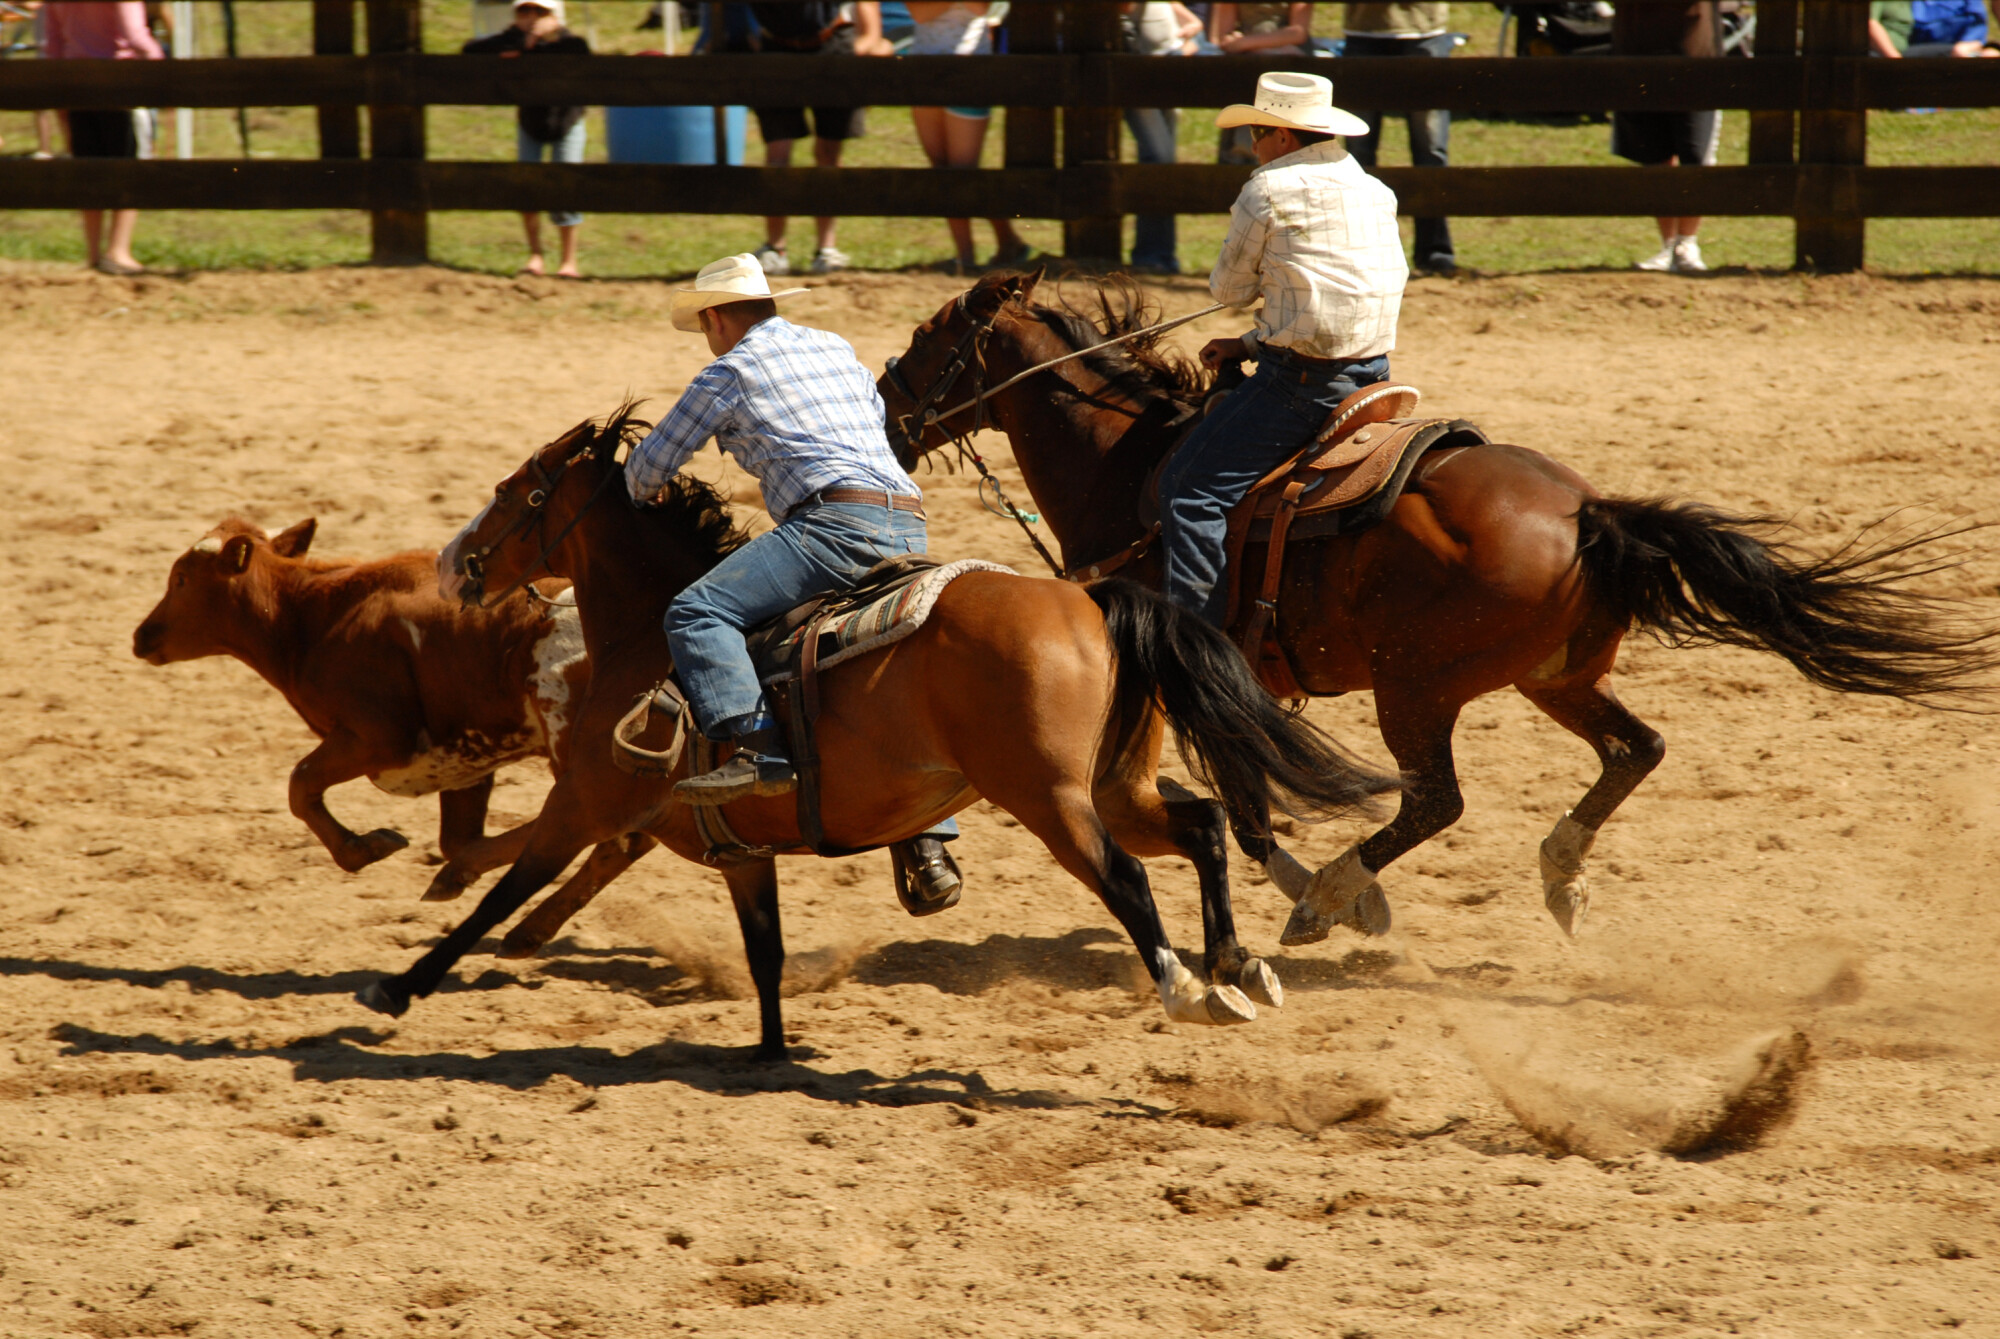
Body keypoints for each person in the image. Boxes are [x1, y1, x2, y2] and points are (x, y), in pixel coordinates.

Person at [625, 253, 963, 908]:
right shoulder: (834, 347)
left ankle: (759, 749)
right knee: (870, 662)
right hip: (908, 525)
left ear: (718, 317)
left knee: (697, 612)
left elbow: (648, 470)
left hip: (832, 530)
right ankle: (927, 836)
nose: (706, 337)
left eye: (704, 325)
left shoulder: (728, 371)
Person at [1160, 72, 1407, 626]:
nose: (1251, 145)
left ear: (1284, 137)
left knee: (1189, 492)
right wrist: (1248, 341)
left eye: (1254, 131)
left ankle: (1196, 646)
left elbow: (1229, 291)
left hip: (1301, 384)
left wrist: (1251, 319)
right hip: (1372, 372)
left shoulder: (1267, 188)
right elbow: (1332, 296)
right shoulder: (1374, 188)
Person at [746, 3, 893, 278]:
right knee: (778, 151)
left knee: (829, 152)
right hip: (776, 47)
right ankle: (775, 247)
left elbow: (868, 11)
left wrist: (857, 48)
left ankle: (826, 248)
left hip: (831, 43)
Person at [463, 0, 591, 278]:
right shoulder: (511, 39)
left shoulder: (567, 41)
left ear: (554, 16)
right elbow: (470, 50)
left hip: (567, 120)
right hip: (531, 121)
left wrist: (545, 39)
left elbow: (581, 52)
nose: (531, 17)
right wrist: (524, 43)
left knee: (565, 186)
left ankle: (568, 260)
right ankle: (535, 255)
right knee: (527, 187)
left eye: (540, 11)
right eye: (525, 11)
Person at [907, 2, 1032, 274]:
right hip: (922, 69)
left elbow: (980, 7)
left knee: (964, 171)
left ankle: (998, 244)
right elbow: (919, 12)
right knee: (941, 170)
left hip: (971, 72)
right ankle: (968, 254)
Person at [42, 1, 162, 275]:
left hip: (74, 83)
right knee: (130, 166)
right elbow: (134, 35)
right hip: (118, 83)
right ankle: (118, 249)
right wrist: (163, 72)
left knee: (88, 168)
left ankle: (94, 252)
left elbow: (53, 45)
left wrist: (56, 92)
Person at [1340, 3, 1457, 277]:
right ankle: (1356, 253)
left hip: (1424, 32)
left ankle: (1435, 253)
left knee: (1430, 151)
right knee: (1356, 156)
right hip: (1364, 34)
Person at [1612, 1, 1719, 275]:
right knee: (1654, 155)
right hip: (1636, 54)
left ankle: (1687, 243)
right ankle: (1669, 244)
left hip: (1693, 54)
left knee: (1695, 155)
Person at [1121, 3, 1204, 274]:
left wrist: (1186, 41)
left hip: (1168, 71)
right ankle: (1151, 253)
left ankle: (1161, 253)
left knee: (1164, 163)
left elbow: (1195, 24)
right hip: (1136, 76)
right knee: (1159, 158)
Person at [1209, 3, 1312, 165]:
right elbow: (1223, 36)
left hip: (1286, 66)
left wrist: (1246, 42)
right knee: (1241, 140)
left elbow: (1298, 32)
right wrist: (1243, 44)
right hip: (1247, 70)